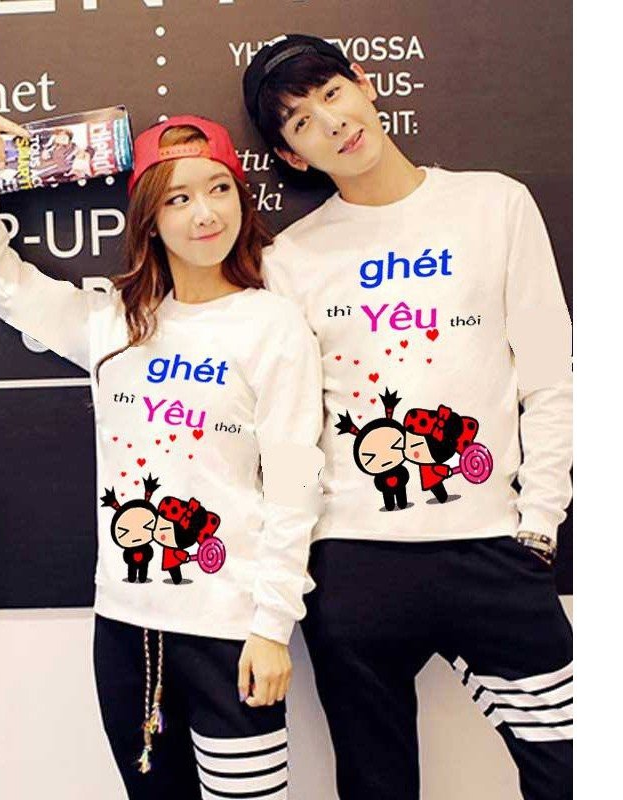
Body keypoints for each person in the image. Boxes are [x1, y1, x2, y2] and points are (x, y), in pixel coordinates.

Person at [243, 34, 573, 800]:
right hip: (353, 565)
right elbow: (290, 435)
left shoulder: (494, 204)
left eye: (331, 93)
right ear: (291, 156)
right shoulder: (290, 260)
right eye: (300, 122)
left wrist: (539, 522)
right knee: (376, 785)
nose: (330, 122)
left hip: (492, 548)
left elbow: (551, 377)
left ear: (364, 83)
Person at [0, 111, 324, 800]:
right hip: (125, 629)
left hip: (231, 629)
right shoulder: (112, 322)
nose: (205, 214)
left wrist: (271, 627)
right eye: (178, 198)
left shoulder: (271, 324)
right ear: (150, 219)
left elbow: (294, 485)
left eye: (218, 189)